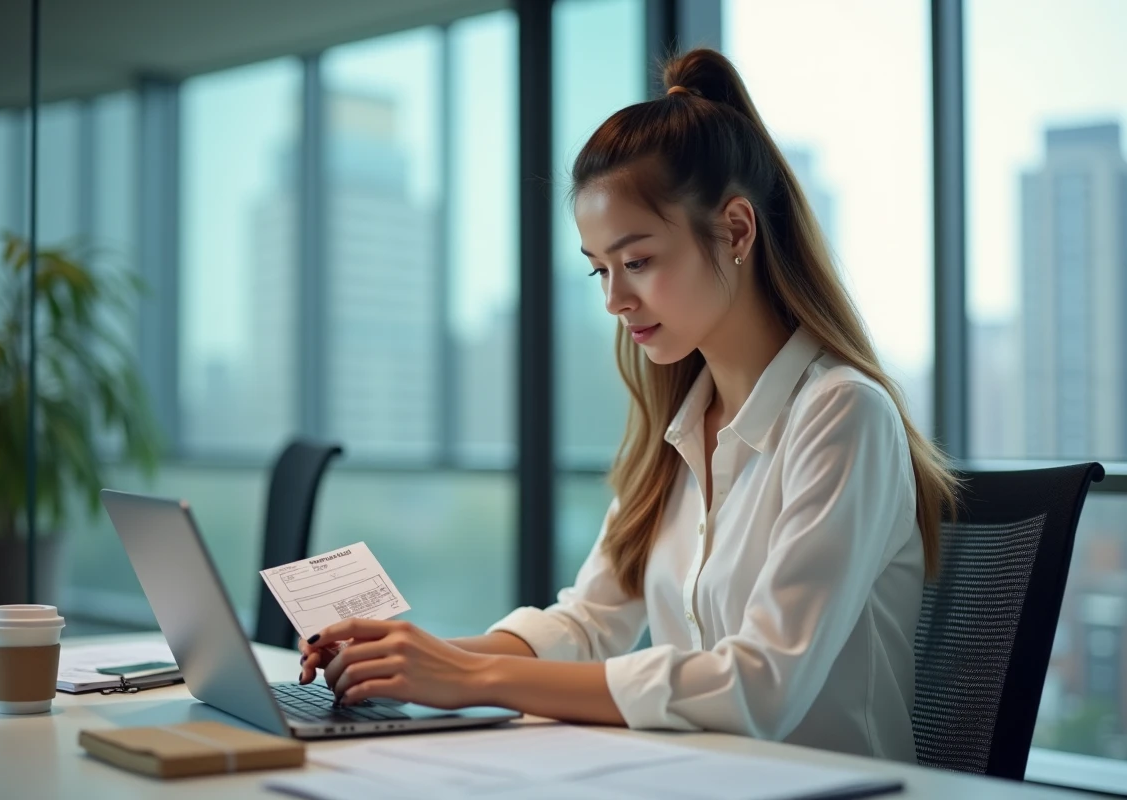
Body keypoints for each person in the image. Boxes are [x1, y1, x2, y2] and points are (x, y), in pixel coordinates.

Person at [298, 48, 956, 763]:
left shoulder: (843, 415)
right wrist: (412, 658)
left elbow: (760, 685)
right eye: (599, 270)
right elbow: (587, 622)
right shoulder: (676, 432)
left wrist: (474, 677)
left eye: (637, 262)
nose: (614, 300)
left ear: (736, 231)